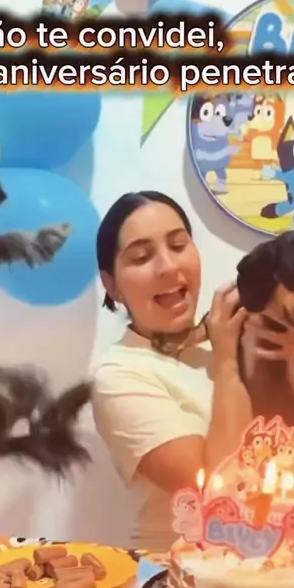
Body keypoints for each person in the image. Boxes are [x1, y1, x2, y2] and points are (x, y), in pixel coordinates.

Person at [91, 191, 253, 551]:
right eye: (141, 257)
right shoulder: (120, 375)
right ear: (112, 285)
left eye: (178, 245)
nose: (167, 266)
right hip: (180, 569)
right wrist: (227, 360)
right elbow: (216, 491)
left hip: (281, 564)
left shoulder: (230, 338)